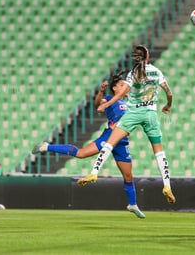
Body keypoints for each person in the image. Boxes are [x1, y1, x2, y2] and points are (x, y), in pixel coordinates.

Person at [32, 73, 146, 218]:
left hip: (122, 141)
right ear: (115, 88)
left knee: (128, 175)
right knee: (81, 154)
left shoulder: (129, 103)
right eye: (122, 85)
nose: (125, 87)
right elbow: (98, 104)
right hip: (109, 136)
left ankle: (132, 204)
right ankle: (46, 146)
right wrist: (101, 91)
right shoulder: (111, 99)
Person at [77, 45, 176, 205]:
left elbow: (122, 94)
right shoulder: (156, 71)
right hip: (151, 115)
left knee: (110, 143)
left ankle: (94, 172)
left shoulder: (133, 74)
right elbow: (169, 93)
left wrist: (105, 105)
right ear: (147, 57)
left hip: (134, 113)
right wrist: (168, 106)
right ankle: (167, 185)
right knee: (159, 151)